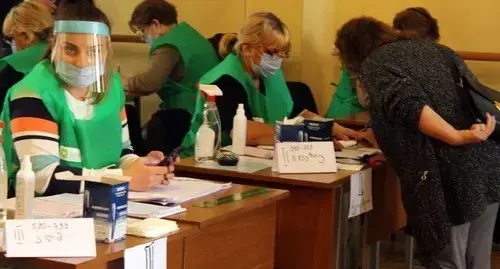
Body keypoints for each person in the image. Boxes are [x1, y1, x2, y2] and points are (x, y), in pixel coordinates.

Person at [335, 17, 500, 268]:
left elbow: (411, 107)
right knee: (477, 259)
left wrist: (456, 136)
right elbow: (471, 95)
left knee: (447, 261)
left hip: (449, 171)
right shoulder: (436, 50)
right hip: (487, 162)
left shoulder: (375, 64)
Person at [1, 0, 175, 198]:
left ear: (107, 49)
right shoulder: (32, 94)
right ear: (54, 44)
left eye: (94, 51)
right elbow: (41, 178)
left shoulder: (112, 86)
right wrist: (123, 178)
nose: (82, 62)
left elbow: (121, 152)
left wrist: (141, 166)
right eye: (70, 49)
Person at [180, 12, 358, 157]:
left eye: (283, 54)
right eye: (273, 53)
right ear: (246, 49)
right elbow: (245, 133)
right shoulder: (224, 80)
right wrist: (305, 136)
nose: (277, 60)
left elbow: (294, 113)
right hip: (209, 161)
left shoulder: (268, 73)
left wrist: (330, 127)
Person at [0, 0, 53, 112]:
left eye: (11, 38)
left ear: (25, 36)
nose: (11, 44)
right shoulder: (62, 55)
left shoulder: (10, 66)